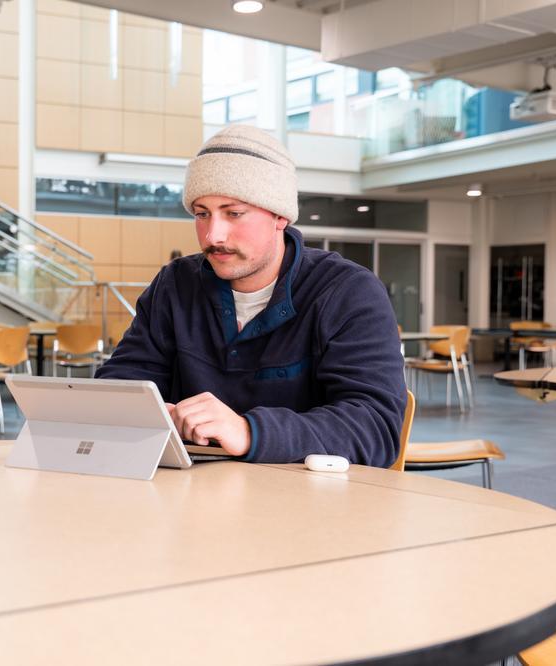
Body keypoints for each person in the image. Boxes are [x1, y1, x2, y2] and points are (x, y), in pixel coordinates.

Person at [95, 125, 406, 466]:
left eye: (234, 213)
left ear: (279, 216)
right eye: (202, 214)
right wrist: (150, 413)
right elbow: (121, 386)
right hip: (189, 502)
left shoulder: (348, 292)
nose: (213, 235)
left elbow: (374, 427)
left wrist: (249, 431)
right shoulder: (175, 285)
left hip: (308, 507)